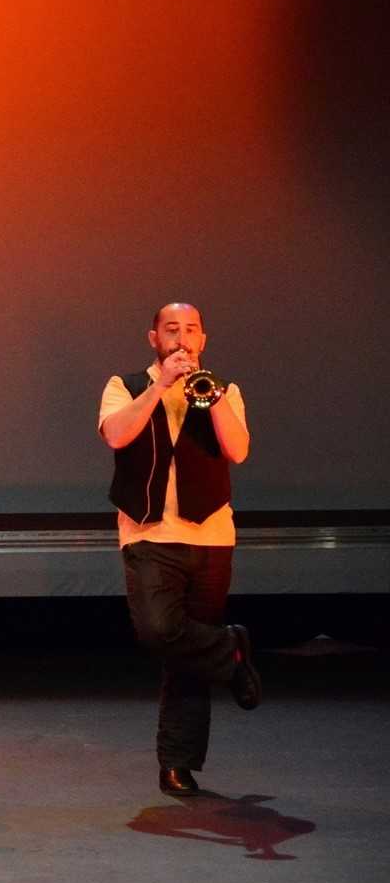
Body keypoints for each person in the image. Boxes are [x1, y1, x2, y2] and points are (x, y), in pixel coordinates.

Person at [99, 302, 259, 798]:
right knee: (158, 631)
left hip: (211, 535)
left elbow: (238, 450)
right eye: (172, 330)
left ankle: (178, 763)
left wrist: (208, 401)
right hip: (149, 534)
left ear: (203, 340)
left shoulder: (223, 389)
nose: (182, 339)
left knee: (184, 660)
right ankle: (230, 651)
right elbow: (117, 435)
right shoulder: (123, 385)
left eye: (191, 330)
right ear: (154, 338)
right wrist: (161, 386)